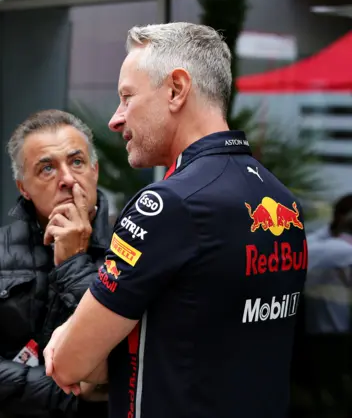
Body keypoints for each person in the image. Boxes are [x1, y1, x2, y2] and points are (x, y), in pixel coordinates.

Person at [44, 22, 308, 418]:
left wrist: (67, 339)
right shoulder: (281, 198)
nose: (116, 119)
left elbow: (71, 365)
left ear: (176, 89)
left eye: (127, 97)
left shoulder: (168, 204)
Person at [0, 109, 111, 418]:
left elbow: (123, 355)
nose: (68, 179)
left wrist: (74, 263)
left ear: (94, 170)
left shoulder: (129, 249)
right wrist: (60, 394)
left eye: (77, 162)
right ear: (23, 188)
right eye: (47, 169)